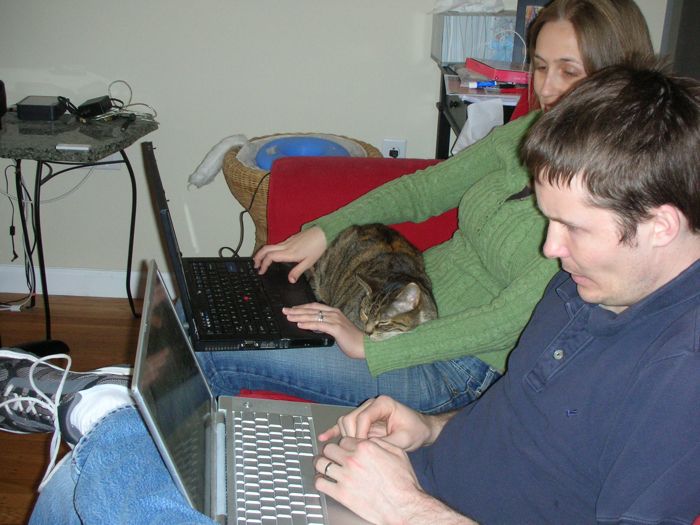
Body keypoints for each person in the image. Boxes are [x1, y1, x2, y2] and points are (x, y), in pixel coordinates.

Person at [15, 60, 700, 524]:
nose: (550, 248)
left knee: (113, 466)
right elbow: (519, 424)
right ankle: (106, 421)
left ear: (662, 225)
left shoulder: (680, 377)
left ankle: (102, 418)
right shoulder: (592, 285)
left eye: (572, 228)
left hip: (416, 509)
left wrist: (407, 508)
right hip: (410, 478)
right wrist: (429, 428)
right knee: (82, 485)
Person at [193, 0, 655, 414]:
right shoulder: (532, 128)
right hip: (398, 305)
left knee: (213, 355)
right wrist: (323, 231)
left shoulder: (615, 192)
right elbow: (426, 190)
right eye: (539, 66)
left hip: (457, 367)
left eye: (569, 71)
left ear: (616, 74)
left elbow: (508, 320)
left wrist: (372, 350)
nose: (548, 89)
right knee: (211, 311)